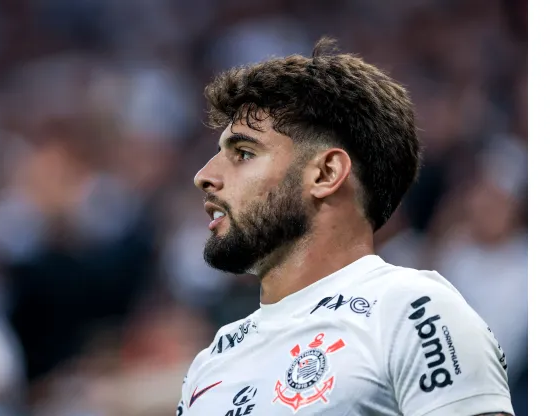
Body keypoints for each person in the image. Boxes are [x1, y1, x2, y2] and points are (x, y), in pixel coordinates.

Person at [177, 38, 514, 416]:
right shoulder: (212, 362)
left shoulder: (413, 312)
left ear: (326, 173)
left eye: (244, 153)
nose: (204, 176)